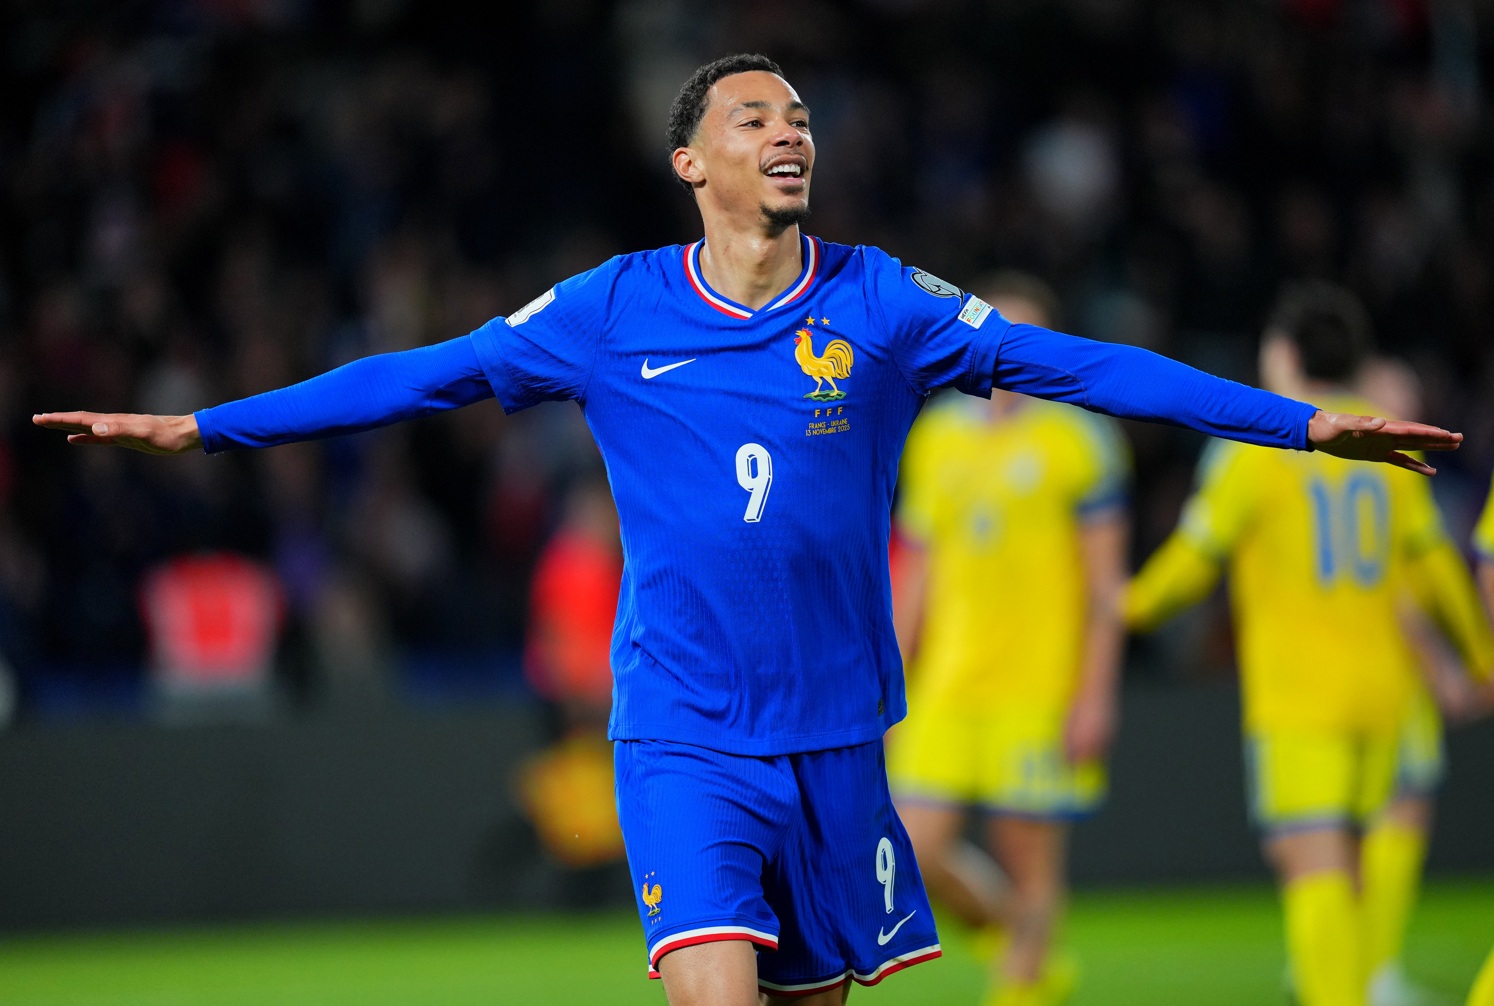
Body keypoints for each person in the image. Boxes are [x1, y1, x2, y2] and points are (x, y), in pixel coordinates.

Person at [33, 55, 1462, 1006]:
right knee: (713, 986)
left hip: (837, 735)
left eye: (798, 118)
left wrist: (1305, 423)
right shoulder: (607, 309)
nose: (788, 134)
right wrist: (208, 425)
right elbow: (419, 375)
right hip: (684, 726)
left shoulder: (881, 299)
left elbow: (1085, 364)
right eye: (753, 119)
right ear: (689, 164)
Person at [1124, 282, 1470, 1006]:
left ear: (1280, 353)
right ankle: (1371, 982)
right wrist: (1484, 655)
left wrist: (1124, 609)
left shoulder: (1259, 447)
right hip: (1384, 696)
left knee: (1312, 863)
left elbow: (1193, 561)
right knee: (1356, 859)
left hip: (1299, 701)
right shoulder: (1386, 444)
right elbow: (1436, 565)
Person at [887, 272, 1127, 1006]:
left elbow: (1105, 589)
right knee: (903, 848)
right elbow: (916, 574)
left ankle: (1024, 977)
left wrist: (1094, 696)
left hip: (1039, 686)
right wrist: (887, 674)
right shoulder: (938, 437)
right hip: (950, 685)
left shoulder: (1081, 438)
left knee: (1030, 862)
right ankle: (1019, 942)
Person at [1352, 360, 1494, 1006]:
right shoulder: (1384, 475)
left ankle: (1333, 962)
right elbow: (1399, 600)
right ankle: (1372, 972)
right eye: (1395, 394)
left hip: (1340, 675)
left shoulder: (1345, 464)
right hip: (1387, 677)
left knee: (1345, 830)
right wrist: (1452, 670)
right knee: (1400, 812)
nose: (1410, 404)